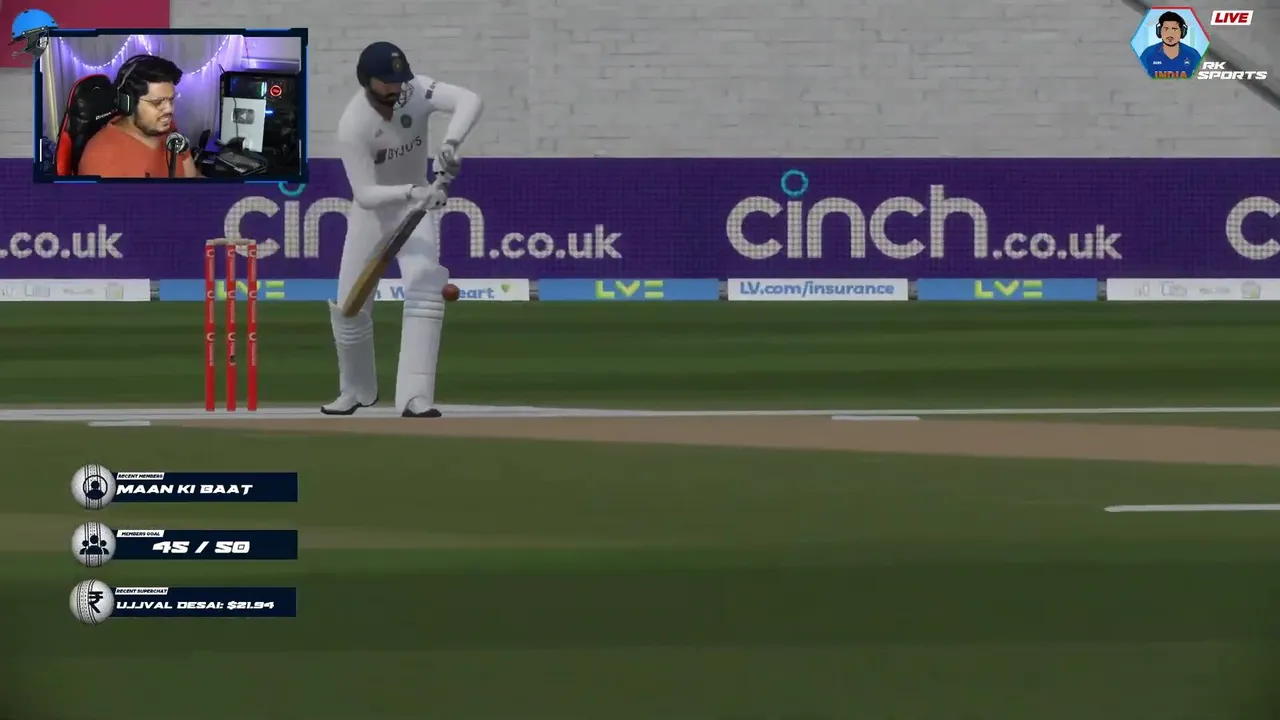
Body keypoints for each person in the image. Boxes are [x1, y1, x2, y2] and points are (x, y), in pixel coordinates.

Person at [323, 41, 482, 418]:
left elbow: (469, 100)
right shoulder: (354, 124)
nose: (395, 87)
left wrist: (451, 142)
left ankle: (416, 396)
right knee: (349, 308)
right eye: (386, 81)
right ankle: (355, 391)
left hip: (417, 208)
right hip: (374, 213)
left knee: (425, 288)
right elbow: (365, 194)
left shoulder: (416, 91)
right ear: (367, 80)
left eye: (398, 79)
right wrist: (412, 191)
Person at [77, 54, 199, 178]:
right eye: (157, 102)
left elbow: (191, 178)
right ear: (128, 103)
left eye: (171, 99)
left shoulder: (167, 128)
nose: (169, 109)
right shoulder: (101, 159)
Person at [1139, 11, 1202, 79]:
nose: (1170, 34)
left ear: (1182, 32)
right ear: (1159, 31)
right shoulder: (1148, 54)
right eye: (1166, 29)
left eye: (1174, 30)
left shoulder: (1193, 54)